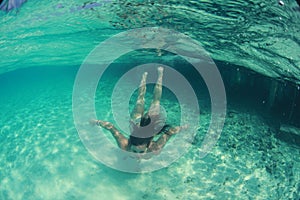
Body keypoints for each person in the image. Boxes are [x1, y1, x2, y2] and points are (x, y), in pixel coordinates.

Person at [91, 66, 186, 155]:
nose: (137, 156)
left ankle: (159, 75)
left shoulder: (126, 147)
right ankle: (144, 78)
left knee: (143, 100)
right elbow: (170, 132)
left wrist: (96, 122)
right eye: (135, 151)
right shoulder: (154, 150)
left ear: (148, 146)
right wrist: (183, 128)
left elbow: (111, 127)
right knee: (149, 100)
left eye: (140, 152)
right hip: (148, 126)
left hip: (136, 120)